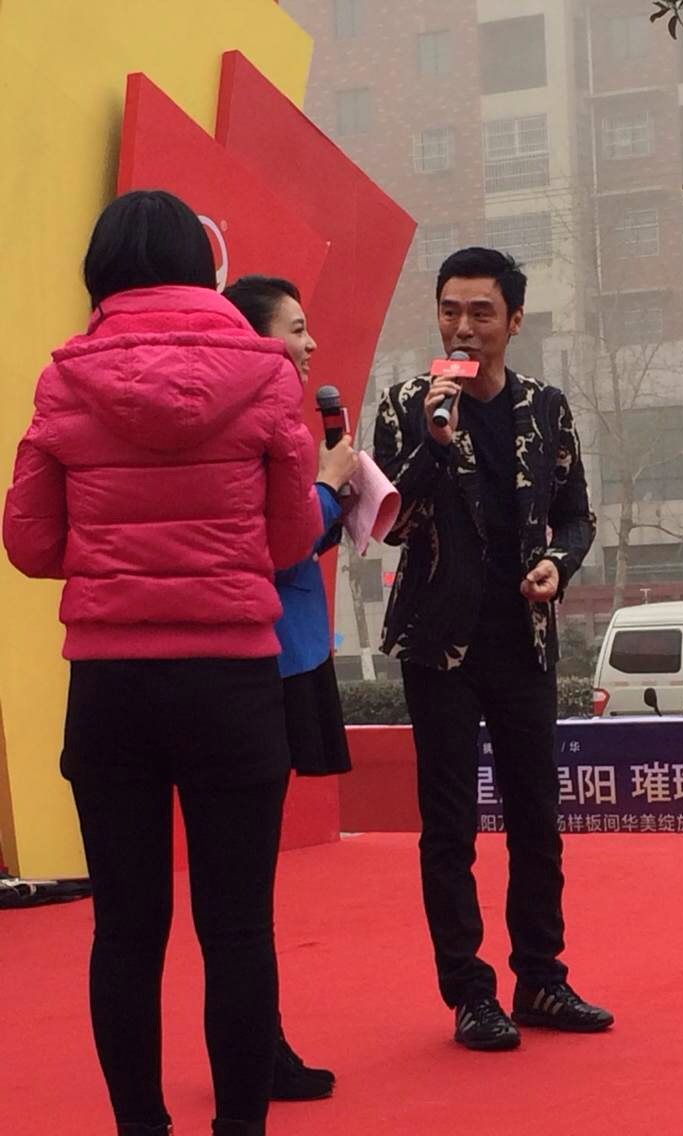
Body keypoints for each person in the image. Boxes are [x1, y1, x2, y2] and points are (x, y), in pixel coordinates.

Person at [3, 190, 322, 1136]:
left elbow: (29, 541)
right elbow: (289, 540)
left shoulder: (66, 378)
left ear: (100, 272)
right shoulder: (265, 376)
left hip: (111, 686)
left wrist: (117, 555)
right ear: (202, 267)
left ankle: (141, 1127)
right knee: (239, 928)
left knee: (125, 932)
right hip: (232, 682)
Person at [373, 247, 614, 1051]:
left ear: (514, 321)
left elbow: (576, 514)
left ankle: (541, 978)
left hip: (523, 639)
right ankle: (470, 993)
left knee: (536, 817)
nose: (463, 328)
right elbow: (391, 522)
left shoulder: (546, 406)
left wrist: (559, 564)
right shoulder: (406, 404)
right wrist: (434, 438)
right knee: (449, 825)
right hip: (437, 643)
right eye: (450, 311)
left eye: (481, 313)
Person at [224, 275, 357, 1101]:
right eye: (296, 328)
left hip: (285, 647)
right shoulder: (249, 426)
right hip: (261, 658)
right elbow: (275, 541)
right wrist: (330, 488)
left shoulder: (275, 422)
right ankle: (254, 1053)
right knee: (240, 884)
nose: (310, 345)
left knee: (241, 880)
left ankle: (255, 1044)